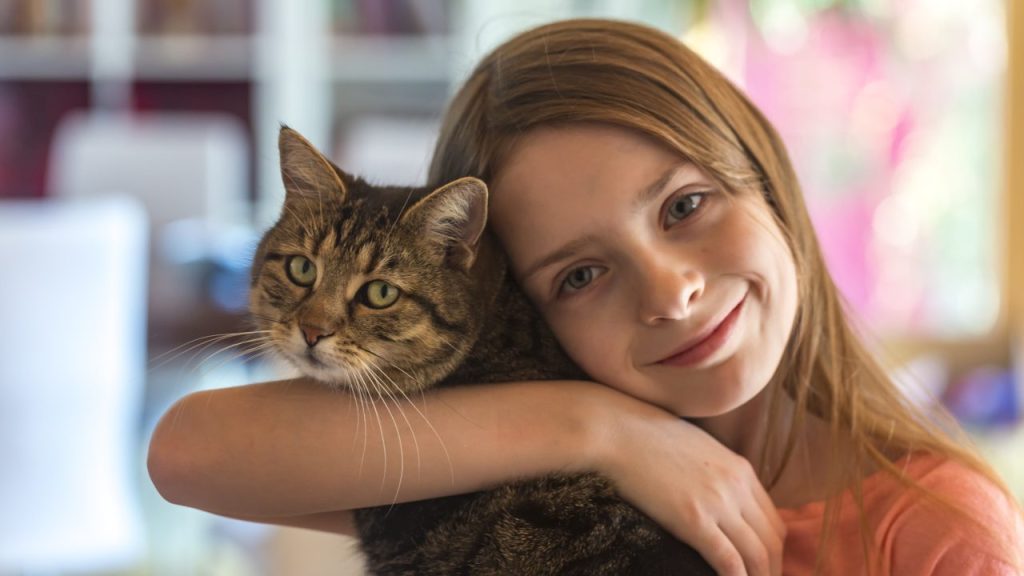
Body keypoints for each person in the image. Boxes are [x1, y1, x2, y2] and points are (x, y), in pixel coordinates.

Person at [148, 18, 1023, 575]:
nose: (672, 293)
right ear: (517, 306)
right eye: (579, 275)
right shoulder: (507, 458)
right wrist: (602, 430)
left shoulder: (944, 533)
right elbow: (188, 451)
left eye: (685, 206)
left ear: (765, 172)